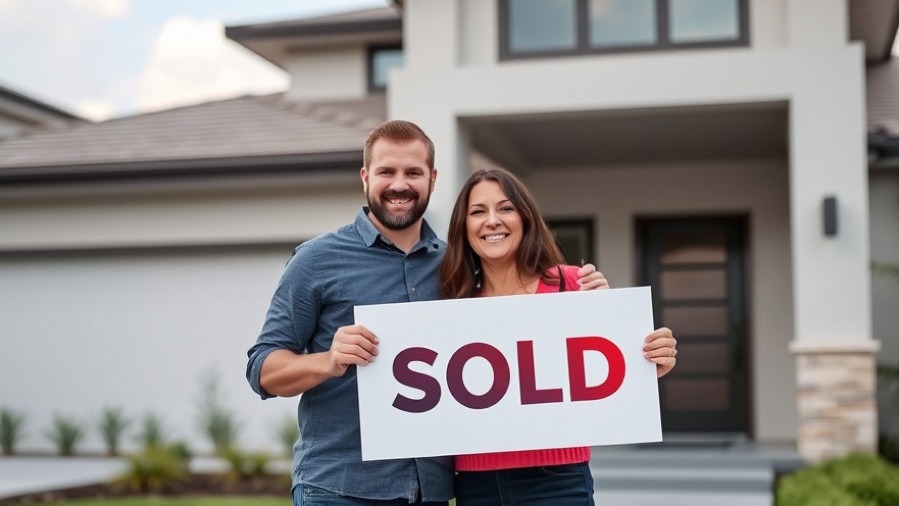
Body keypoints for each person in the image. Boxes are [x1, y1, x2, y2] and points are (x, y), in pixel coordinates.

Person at [246, 120, 607, 506]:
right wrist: (328, 361)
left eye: (413, 173)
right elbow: (262, 369)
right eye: (387, 171)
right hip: (340, 488)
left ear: (432, 179)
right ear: (365, 177)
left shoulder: (456, 268)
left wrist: (595, 307)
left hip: (430, 492)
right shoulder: (317, 260)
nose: (399, 184)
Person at [439, 168, 678, 506]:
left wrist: (649, 358)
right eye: (478, 211)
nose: (492, 221)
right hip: (476, 483)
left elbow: (610, 369)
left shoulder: (573, 285)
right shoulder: (453, 304)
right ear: (464, 227)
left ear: (525, 218)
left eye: (505, 208)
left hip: (557, 479)